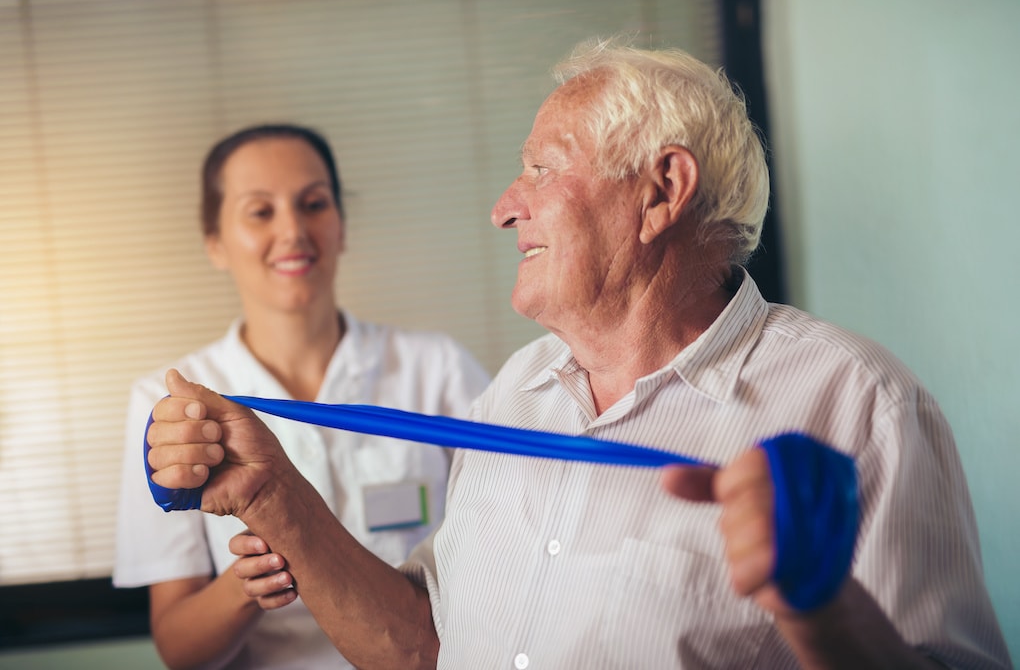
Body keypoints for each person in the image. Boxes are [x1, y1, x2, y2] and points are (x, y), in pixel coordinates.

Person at [143, 40, 1012, 669]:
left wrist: (820, 615)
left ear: (661, 191)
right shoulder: (518, 391)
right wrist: (267, 490)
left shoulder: (856, 405)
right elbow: (422, 645)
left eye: (542, 170)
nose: (503, 207)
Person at [112, 123, 490, 670]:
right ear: (214, 242)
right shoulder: (174, 408)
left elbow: (510, 553)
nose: (293, 230)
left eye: (313, 204)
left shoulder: (438, 370)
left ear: (341, 226)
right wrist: (246, 585)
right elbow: (179, 649)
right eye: (260, 212)